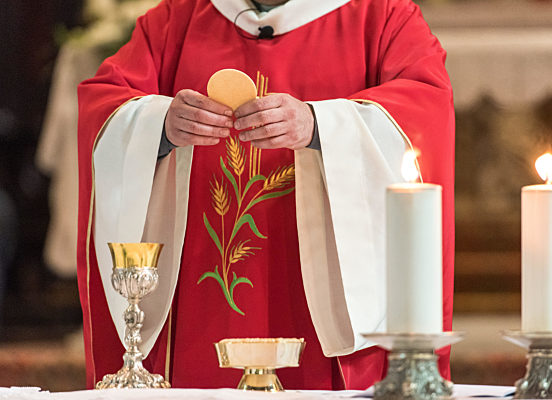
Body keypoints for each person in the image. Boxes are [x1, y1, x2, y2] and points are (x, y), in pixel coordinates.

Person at [77, 0, 455, 390]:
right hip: (197, 302)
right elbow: (104, 105)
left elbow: (425, 108)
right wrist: (158, 124)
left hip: (322, 302)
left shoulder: (383, 16)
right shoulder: (177, 19)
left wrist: (319, 125)